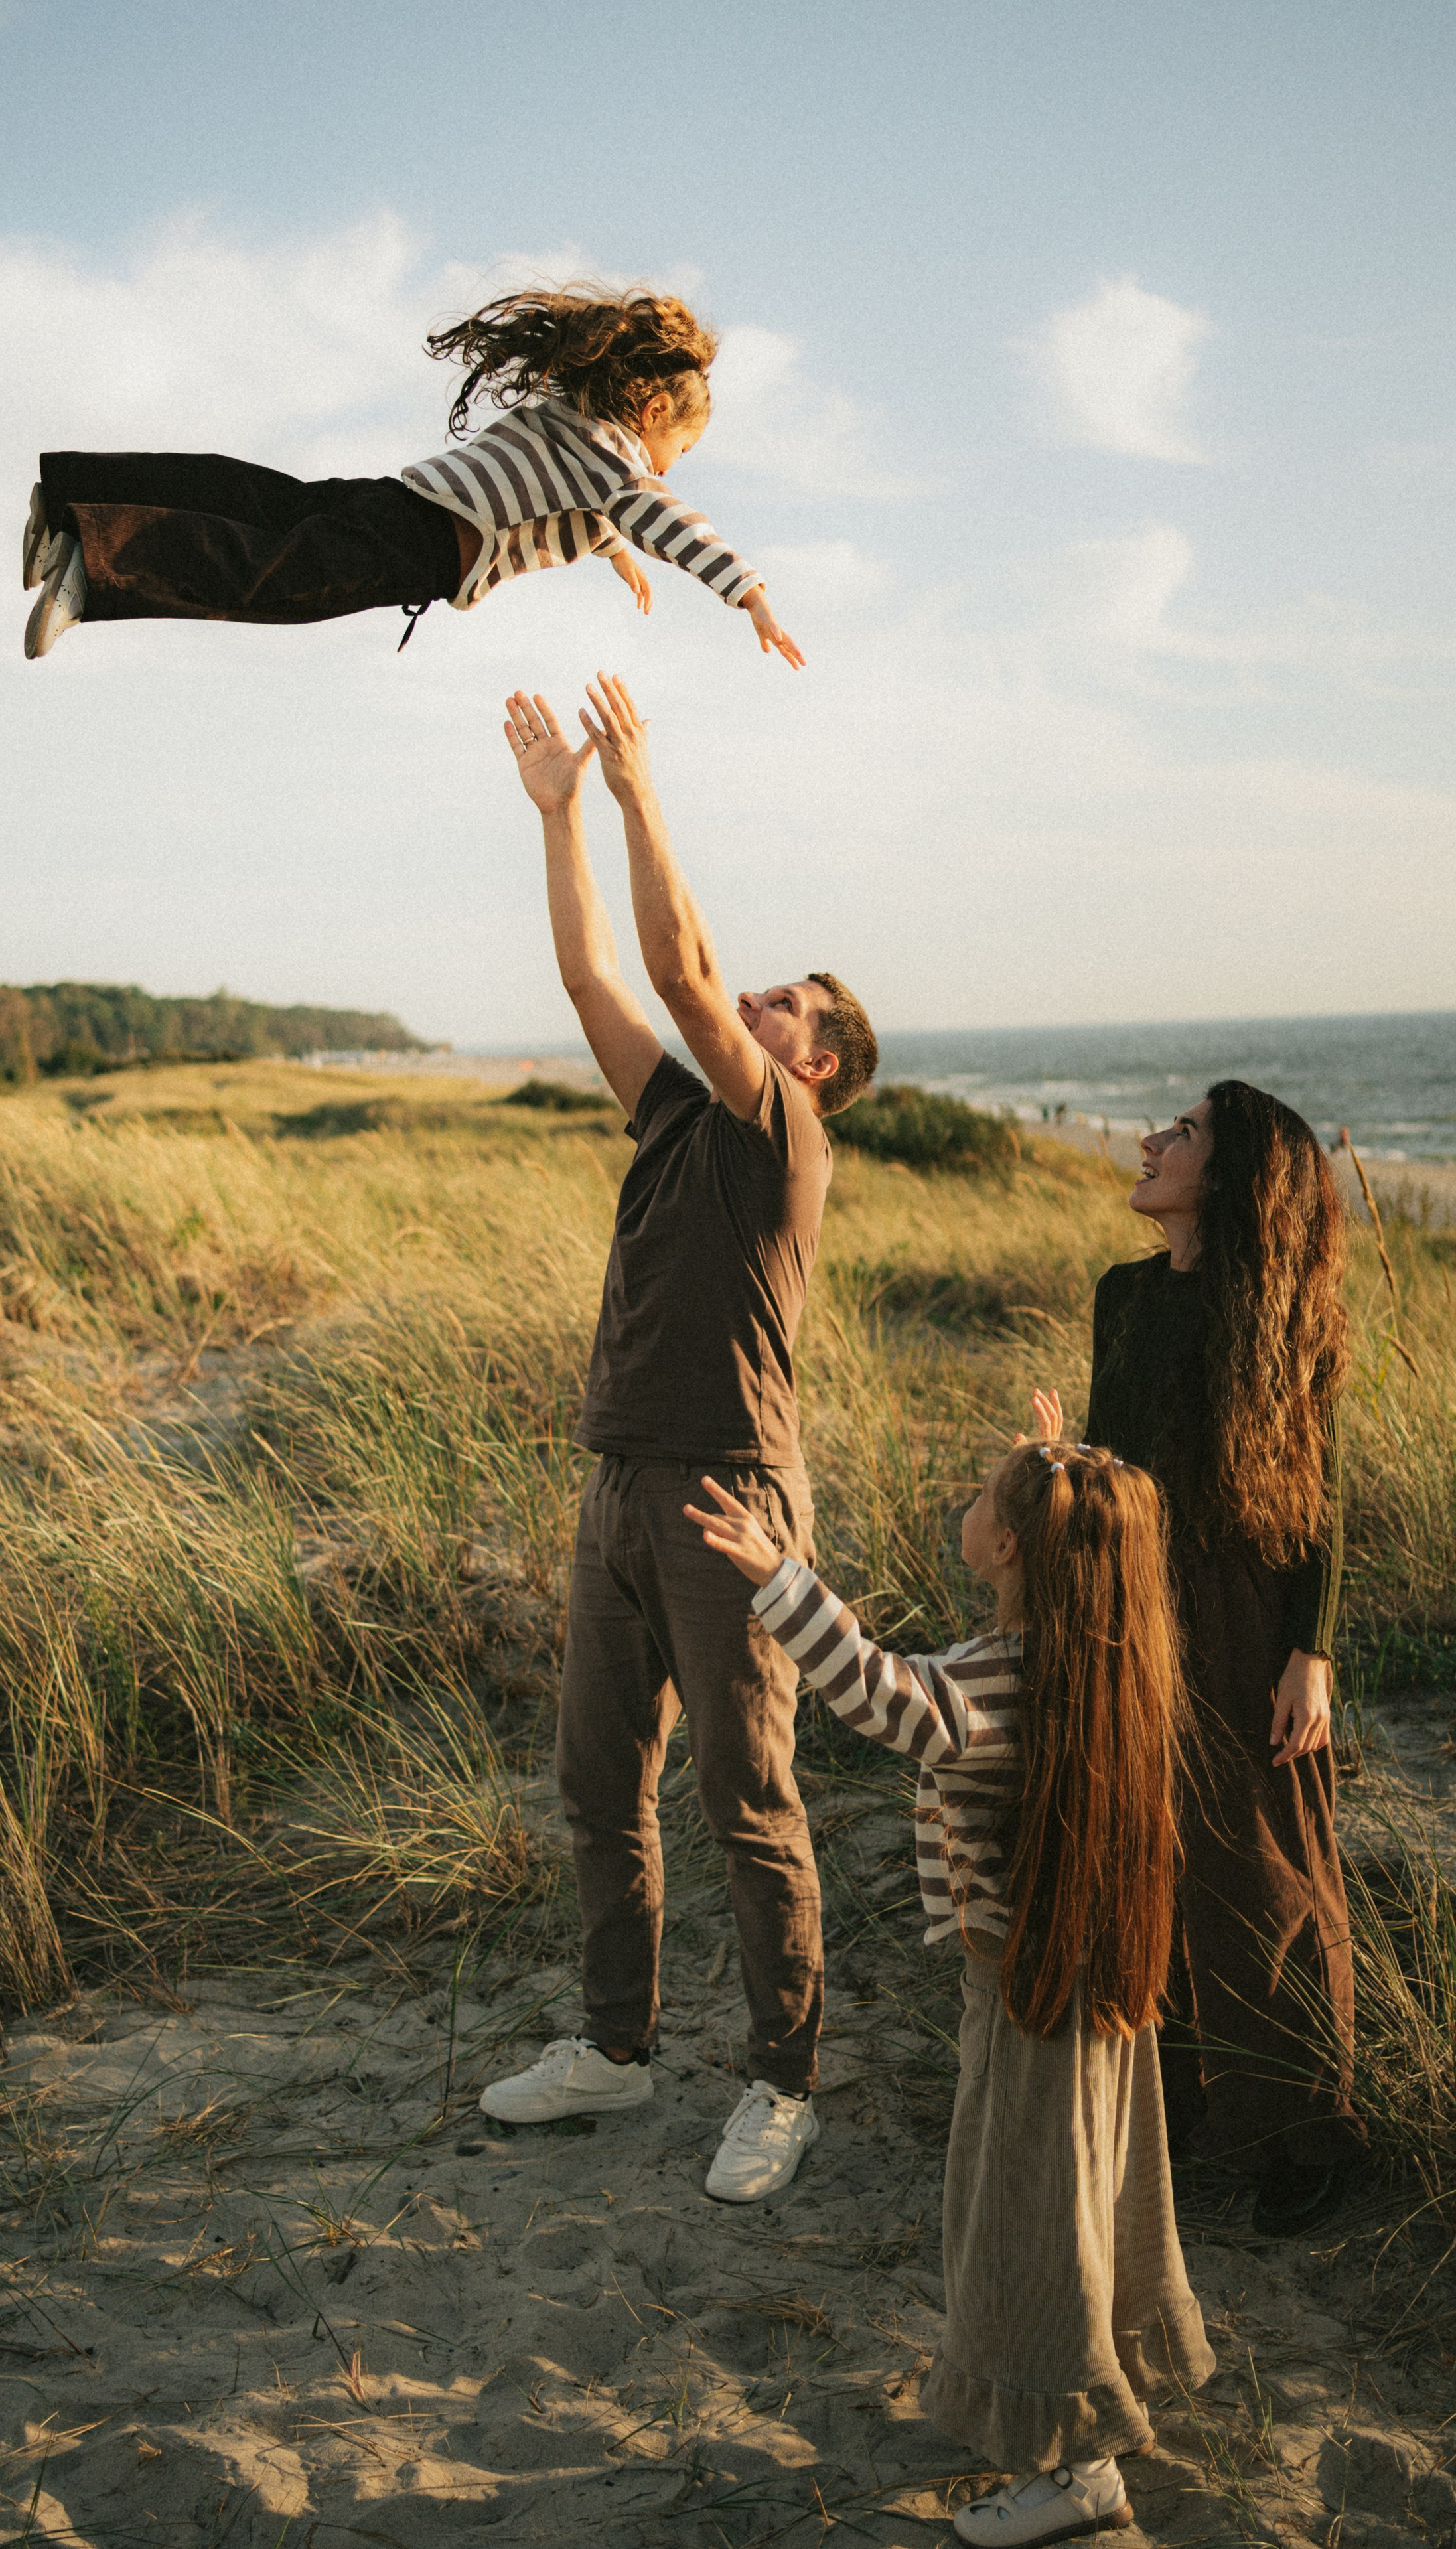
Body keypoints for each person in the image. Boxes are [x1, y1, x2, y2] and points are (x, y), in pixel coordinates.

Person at [476, 675, 877, 2203]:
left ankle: (784, 2080)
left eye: (790, 1005)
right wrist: (561, 808)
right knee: (599, 1783)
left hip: (731, 1498)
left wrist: (643, 788)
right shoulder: (670, 1120)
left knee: (748, 1796)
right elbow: (599, 982)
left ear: (817, 1061)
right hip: (620, 1480)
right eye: (764, 994)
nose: (756, 1001)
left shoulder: (783, 1133)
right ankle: (613, 2045)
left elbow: (678, 969)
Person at [691, 1439, 1214, 2546]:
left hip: (1028, 2001)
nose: (962, 1506)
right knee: (1087, 2203)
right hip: (1093, 1981)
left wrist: (779, 1581)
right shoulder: (1102, 1656)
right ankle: (1104, 2390)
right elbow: (1089, 1534)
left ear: (1013, 1547)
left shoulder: (999, 1679)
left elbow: (883, 1694)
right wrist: (1062, 1456)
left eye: (984, 1497)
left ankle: (1076, 2469)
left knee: (1029, 2228)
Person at [1054, 1081, 1362, 2239]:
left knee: (1266, 1872)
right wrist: (1062, 1475)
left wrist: (1310, 1653)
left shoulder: (1283, 1312)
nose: (1148, 1142)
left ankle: (1305, 2132)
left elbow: (1316, 1503)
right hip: (1130, 1602)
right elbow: (1107, 1460)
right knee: (1143, 1856)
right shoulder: (1122, 1295)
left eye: (1180, 1134)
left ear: (1227, 1178)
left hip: (1244, 1616)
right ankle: (1178, 2116)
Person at [21, 286, 803, 667]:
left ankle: (69, 494)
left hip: (400, 499)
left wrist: (613, 551)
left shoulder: (574, 419)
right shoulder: (620, 467)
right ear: (653, 407)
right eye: (681, 449)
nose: (672, 468)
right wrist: (751, 596)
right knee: (265, 578)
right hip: (421, 548)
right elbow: (664, 516)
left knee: (260, 500)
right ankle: (93, 567)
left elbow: (588, 505)